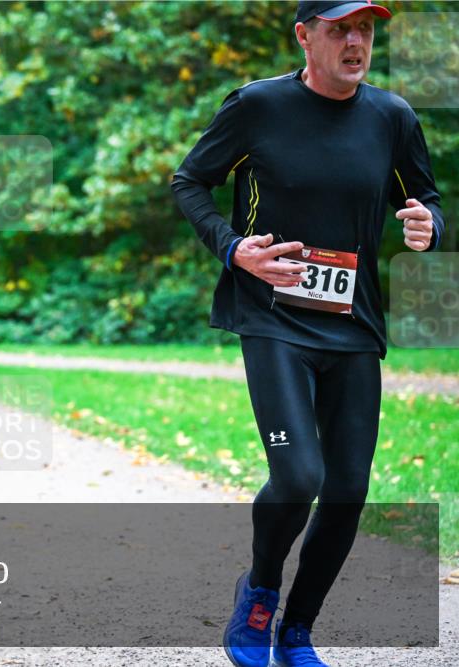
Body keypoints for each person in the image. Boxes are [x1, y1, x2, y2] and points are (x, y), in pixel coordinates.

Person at [170, 2, 446, 666]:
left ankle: (296, 630)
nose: (355, 42)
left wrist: (429, 227)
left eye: (365, 30)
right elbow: (191, 182)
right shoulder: (258, 106)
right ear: (304, 36)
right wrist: (235, 248)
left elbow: (429, 199)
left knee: (348, 488)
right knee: (297, 472)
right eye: (338, 30)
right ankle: (260, 593)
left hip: (353, 324)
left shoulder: (392, 117)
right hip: (272, 317)